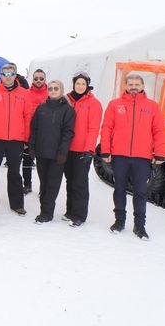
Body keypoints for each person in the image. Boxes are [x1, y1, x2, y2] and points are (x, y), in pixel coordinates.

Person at [100, 73, 165, 240]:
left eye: (137, 84)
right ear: (126, 86)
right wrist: (106, 150)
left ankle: (140, 226)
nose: (134, 87)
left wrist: (159, 153)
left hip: (142, 157)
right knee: (119, 189)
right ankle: (119, 221)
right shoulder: (115, 105)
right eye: (130, 84)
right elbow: (106, 128)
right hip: (119, 156)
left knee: (141, 192)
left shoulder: (152, 106)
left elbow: (158, 131)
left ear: (143, 86)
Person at [0, 63, 34, 215]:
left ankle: (17, 204)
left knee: (15, 172)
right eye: (5, 74)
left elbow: (28, 117)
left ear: (15, 75)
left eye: (11, 74)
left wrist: (26, 139)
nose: (8, 77)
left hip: (16, 140)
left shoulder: (24, 93)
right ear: (1, 76)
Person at [28, 80, 76, 224]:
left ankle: (46, 213)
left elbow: (68, 133)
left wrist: (62, 152)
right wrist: (31, 146)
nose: (53, 91)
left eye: (56, 88)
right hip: (42, 152)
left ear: (61, 90)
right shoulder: (41, 108)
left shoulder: (68, 110)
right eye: (50, 88)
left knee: (52, 184)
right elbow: (34, 128)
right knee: (44, 183)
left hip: (57, 155)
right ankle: (44, 209)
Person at [63, 72, 102, 227]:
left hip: (82, 149)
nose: (80, 86)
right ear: (73, 84)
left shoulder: (93, 103)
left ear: (87, 86)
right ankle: (70, 210)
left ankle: (79, 215)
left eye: (83, 84)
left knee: (80, 182)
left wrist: (89, 150)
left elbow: (93, 128)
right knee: (69, 180)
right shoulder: (67, 100)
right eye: (77, 83)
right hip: (67, 148)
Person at [22, 69, 48, 194]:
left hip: (45, 133)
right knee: (27, 160)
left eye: (41, 78)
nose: (38, 81)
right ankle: (27, 184)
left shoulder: (51, 93)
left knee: (43, 163)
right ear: (32, 80)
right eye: (36, 78)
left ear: (45, 79)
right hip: (29, 132)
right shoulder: (26, 93)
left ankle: (43, 188)